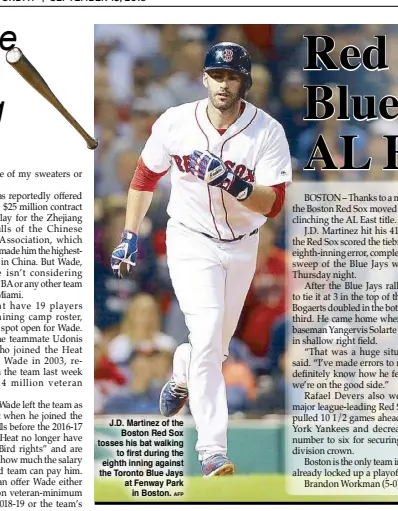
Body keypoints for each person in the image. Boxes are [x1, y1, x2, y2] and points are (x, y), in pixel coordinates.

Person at [110, 42, 292, 477]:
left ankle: (183, 369)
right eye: (216, 74)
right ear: (204, 78)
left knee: (215, 346)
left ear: (244, 83)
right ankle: (212, 450)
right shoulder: (175, 122)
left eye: (232, 76)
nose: (223, 83)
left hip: (243, 242)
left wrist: (235, 183)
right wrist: (130, 233)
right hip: (190, 239)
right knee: (209, 333)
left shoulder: (266, 132)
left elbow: (275, 204)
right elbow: (144, 175)